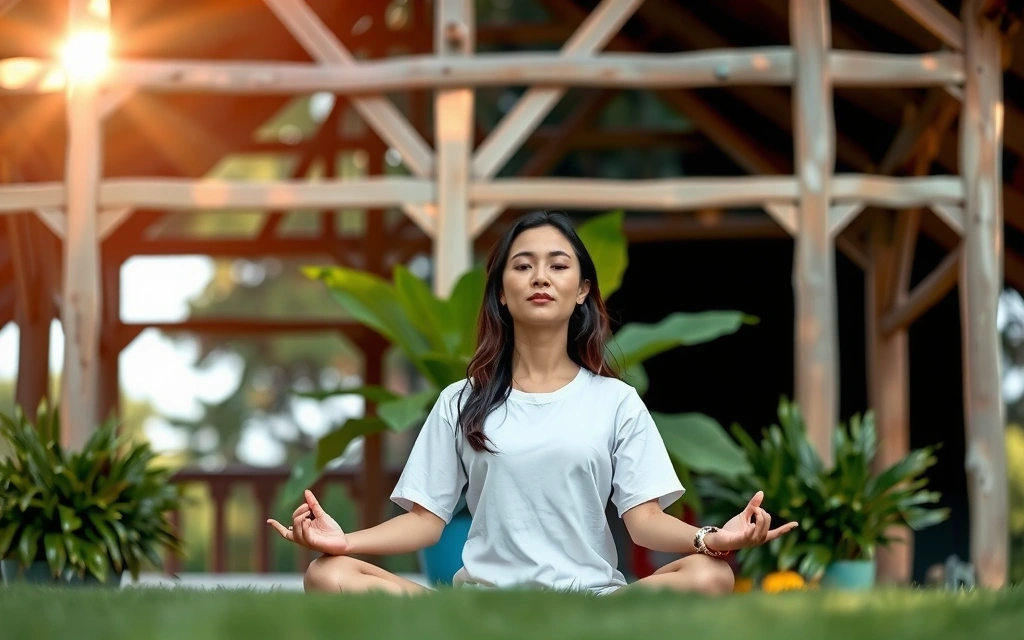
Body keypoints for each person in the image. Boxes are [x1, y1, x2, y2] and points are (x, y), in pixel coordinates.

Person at [268, 211, 797, 596]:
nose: (540, 276)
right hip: (479, 610)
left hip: (592, 606)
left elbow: (645, 523)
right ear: (501, 290)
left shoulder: (617, 402)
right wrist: (344, 544)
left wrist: (712, 538)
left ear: (582, 289)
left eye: (557, 265)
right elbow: (426, 523)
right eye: (523, 265)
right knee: (328, 576)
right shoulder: (461, 401)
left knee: (710, 576)